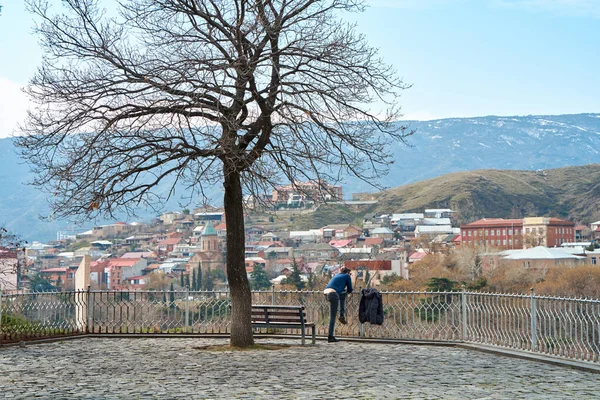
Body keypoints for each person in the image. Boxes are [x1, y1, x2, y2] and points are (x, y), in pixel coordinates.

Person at [324, 266, 353, 343]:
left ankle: (341, 315)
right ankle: (330, 336)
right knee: (332, 316)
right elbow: (350, 289)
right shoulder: (347, 276)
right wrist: (347, 291)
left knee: (342, 295)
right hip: (333, 294)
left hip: (326, 292)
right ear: (348, 272)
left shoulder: (337, 275)